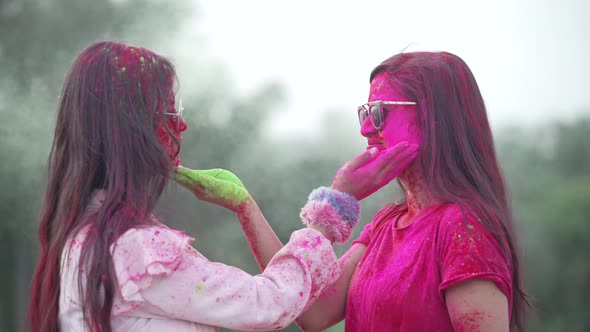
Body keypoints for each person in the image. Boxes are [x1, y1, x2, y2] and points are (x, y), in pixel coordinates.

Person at [27, 41, 416, 332]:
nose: (182, 126)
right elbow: (268, 303)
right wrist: (334, 207)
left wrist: (245, 206)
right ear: (131, 130)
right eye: (169, 112)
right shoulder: (135, 250)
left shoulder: (85, 238)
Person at [241, 52, 529, 331]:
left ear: (434, 118)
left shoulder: (464, 226)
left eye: (380, 112)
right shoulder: (387, 223)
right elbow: (312, 312)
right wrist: (244, 206)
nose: (366, 129)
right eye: (365, 113)